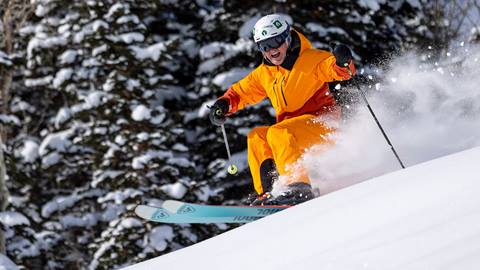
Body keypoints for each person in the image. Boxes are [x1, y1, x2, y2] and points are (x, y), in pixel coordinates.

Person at [209, 14, 356, 205]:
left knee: (278, 132)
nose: (272, 50)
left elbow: (337, 69)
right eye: (264, 46)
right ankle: (268, 193)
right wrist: (224, 104)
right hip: (292, 133)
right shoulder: (266, 73)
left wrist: (343, 62)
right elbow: (241, 92)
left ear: (287, 37)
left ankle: (298, 187)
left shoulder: (311, 59)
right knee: (257, 136)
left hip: (323, 126)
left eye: (275, 42)